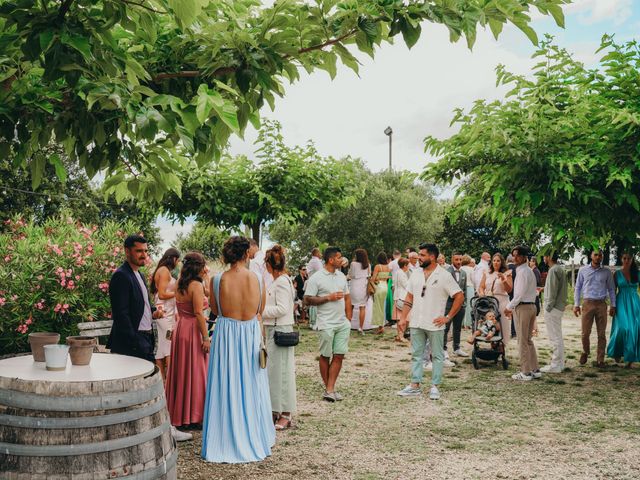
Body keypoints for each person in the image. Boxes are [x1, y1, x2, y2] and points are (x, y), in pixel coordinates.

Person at [202, 236, 274, 463]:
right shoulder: (258, 279)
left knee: (226, 382)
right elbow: (260, 309)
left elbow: (214, 309)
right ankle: (253, 435)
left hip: (226, 335)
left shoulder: (217, 279)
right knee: (251, 383)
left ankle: (223, 438)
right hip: (250, 334)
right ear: (245, 254)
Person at [397, 243, 464, 400]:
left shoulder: (444, 275)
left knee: (437, 356)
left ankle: (435, 386)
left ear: (432, 257)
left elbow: (459, 296)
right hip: (416, 322)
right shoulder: (415, 274)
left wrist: (448, 317)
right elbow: (409, 297)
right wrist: (402, 318)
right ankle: (415, 385)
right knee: (416, 354)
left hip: (435, 323)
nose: (419, 258)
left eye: (422, 255)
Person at [165, 252, 209, 433]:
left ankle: (180, 414)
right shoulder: (196, 285)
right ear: (198, 266)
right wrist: (206, 337)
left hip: (180, 327)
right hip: (192, 329)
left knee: (182, 371)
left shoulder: (179, 284)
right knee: (196, 371)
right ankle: (195, 415)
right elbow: (199, 313)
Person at [304, 246, 352, 402]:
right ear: (331, 260)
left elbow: (347, 297)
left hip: (342, 323)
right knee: (325, 355)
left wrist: (348, 320)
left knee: (339, 355)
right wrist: (328, 298)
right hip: (325, 323)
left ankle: (330, 388)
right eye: (339, 257)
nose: (341, 259)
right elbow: (307, 300)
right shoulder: (316, 278)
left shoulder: (341, 276)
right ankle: (329, 389)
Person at [107, 235, 162, 363]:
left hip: (146, 338)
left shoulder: (140, 275)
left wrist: (154, 312)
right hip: (132, 343)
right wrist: (134, 341)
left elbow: (142, 303)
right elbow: (121, 314)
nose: (144, 255)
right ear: (127, 251)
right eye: (139, 251)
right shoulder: (121, 275)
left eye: (146, 251)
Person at [262, 245, 297, 431]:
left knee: (283, 373)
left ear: (269, 264)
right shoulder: (278, 281)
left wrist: (260, 312)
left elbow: (283, 308)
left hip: (280, 330)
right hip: (272, 329)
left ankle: (286, 414)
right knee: (274, 373)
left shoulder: (282, 282)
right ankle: (276, 409)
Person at [573, 249, 616, 368]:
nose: (598, 257)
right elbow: (578, 288)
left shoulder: (606, 272)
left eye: (600, 255)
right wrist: (576, 304)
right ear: (591, 256)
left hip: (602, 304)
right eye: (595, 254)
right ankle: (585, 352)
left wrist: (613, 305)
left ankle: (600, 359)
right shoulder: (583, 270)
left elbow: (612, 289)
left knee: (601, 333)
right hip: (587, 303)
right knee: (585, 333)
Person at [504, 246, 540, 381]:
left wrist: (508, 307)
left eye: (517, 255)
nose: (515, 258)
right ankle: (535, 369)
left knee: (522, 341)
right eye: (514, 255)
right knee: (528, 340)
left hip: (523, 307)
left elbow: (518, 295)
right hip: (531, 306)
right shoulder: (528, 271)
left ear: (524, 257)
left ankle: (525, 371)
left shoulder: (523, 272)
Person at [150, 247, 181, 381]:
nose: (178, 263)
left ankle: (163, 381)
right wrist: (179, 294)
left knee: (163, 347)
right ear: (173, 259)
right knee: (168, 347)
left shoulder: (163, 271)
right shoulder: (164, 271)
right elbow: (162, 294)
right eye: (178, 261)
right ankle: (169, 381)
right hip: (165, 316)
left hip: (167, 315)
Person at [607, 253, 640, 367]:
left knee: (634, 329)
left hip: (635, 303)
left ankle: (630, 359)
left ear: (632, 260)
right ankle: (617, 351)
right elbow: (612, 291)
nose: (626, 260)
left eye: (628, 258)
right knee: (622, 328)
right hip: (620, 302)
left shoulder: (637, 273)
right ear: (621, 259)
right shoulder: (617, 274)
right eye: (624, 258)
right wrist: (612, 306)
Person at [540, 252, 567, 373]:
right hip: (559, 307)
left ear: (549, 257)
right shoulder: (559, 269)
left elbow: (552, 291)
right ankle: (560, 363)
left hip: (553, 308)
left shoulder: (553, 270)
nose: (544, 258)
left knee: (554, 337)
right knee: (558, 336)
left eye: (545, 256)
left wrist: (548, 307)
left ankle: (556, 364)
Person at [478, 253, 513, 345]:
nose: (496, 263)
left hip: (502, 301)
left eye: (498, 261)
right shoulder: (487, 272)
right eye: (494, 260)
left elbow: (509, 289)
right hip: (490, 301)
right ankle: (493, 345)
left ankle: (502, 345)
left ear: (502, 262)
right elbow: (481, 287)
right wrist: (482, 294)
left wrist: (503, 280)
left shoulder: (507, 273)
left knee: (502, 325)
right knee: (491, 323)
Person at [443, 252, 468, 358]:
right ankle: (443, 349)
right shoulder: (446, 272)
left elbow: (464, 289)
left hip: (461, 305)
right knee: (446, 327)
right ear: (452, 260)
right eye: (456, 259)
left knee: (457, 327)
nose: (458, 262)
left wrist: (464, 303)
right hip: (448, 303)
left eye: (460, 260)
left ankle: (457, 348)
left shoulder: (463, 273)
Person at [349, 248, 371, 335]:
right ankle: (360, 328)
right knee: (362, 307)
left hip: (354, 286)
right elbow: (369, 276)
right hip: (363, 287)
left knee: (351, 306)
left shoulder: (353, 264)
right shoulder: (368, 265)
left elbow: (351, 275)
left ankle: (348, 325)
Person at [370, 251, 391, 334]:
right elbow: (387, 277)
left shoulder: (378, 266)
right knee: (382, 307)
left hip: (378, 287)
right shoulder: (388, 266)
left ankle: (380, 326)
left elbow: (373, 279)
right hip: (385, 286)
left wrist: (373, 280)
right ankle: (381, 326)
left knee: (378, 307)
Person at [306, 248, 324, 330]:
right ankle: (314, 323)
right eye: (320, 252)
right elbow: (321, 272)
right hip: (315, 283)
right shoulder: (316, 261)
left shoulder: (312, 261)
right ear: (316, 253)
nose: (321, 254)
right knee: (315, 303)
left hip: (312, 283)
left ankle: (313, 322)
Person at [393, 258, 410, 343]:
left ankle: (399, 335)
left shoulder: (397, 272)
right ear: (405, 266)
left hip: (397, 295)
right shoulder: (401, 274)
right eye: (408, 265)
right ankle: (401, 336)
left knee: (399, 317)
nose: (409, 267)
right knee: (403, 318)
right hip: (402, 296)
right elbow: (406, 285)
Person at [460, 255, 476, 328]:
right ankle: (468, 323)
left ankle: (462, 323)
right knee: (469, 306)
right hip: (469, 287)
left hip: (461, 288)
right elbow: (474, 280)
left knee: (461, 305)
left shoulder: (460, 268)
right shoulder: (471, 269)